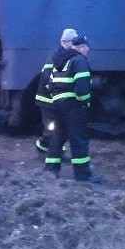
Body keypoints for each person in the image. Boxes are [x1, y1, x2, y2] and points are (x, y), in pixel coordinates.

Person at [44, 35, 101, 183]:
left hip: (57, 104)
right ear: (81, 47)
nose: (88, 49)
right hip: (73, 106)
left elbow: (50, 84)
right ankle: (83, 176)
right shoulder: (79, 61)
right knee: (79, 140)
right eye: (87, 47)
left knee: (58, 138)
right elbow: (82, 89)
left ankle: (50, 171)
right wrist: (85, 103)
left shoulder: (59, 60)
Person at [34, 28, 78, 153]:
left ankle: (52, 151)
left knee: (57, 128)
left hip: (54, 99)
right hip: (49, 99)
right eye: (73, 42)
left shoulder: (61, 55)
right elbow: (49, 77)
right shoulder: (56, 56)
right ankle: (46, 149)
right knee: (52, 129)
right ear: (66, 42)